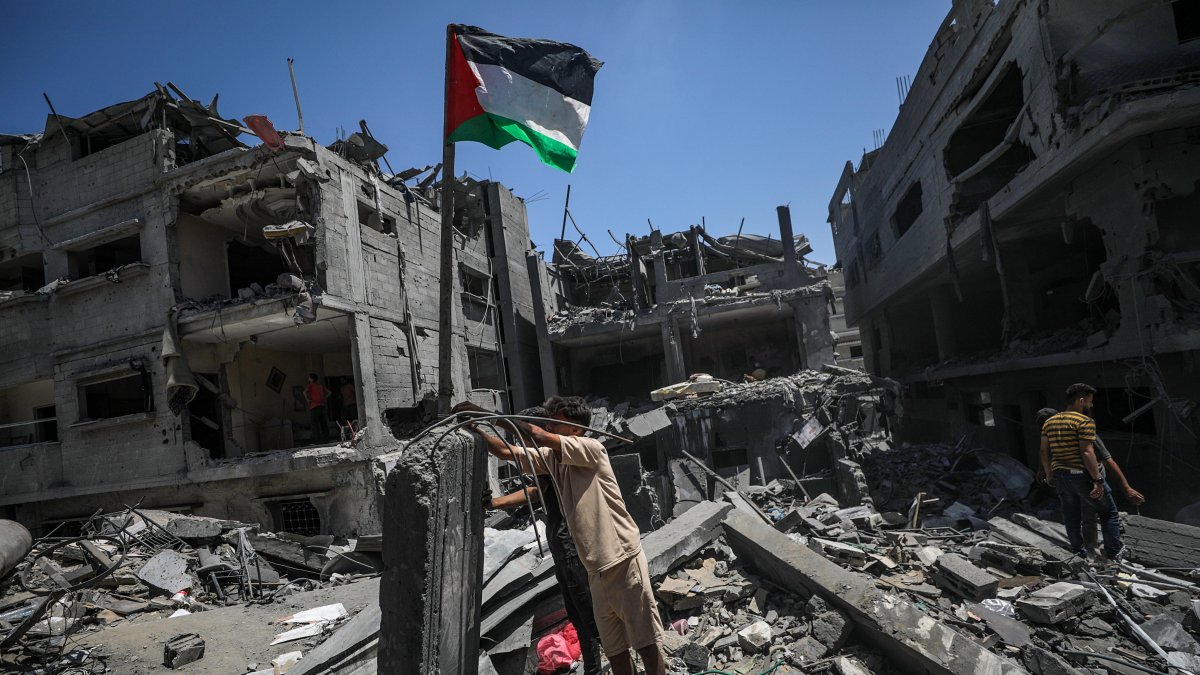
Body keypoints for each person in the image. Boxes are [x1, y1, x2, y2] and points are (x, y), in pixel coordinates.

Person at [459, 396, 665, 675]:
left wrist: (482, 413)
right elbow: (507, 452)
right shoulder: (551, 460)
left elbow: (537, 434)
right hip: (595, 570)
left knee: (646, 644)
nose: (549, 425)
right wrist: (475, 428)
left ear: (575, 430)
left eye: (557, 421)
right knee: (615, 650)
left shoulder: (591, 449)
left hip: (621, 560)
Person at [491, 475, 603, 675]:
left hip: (572, 552)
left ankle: (611, 666)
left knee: (590, 621)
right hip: (563, 553)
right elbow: (536, 491)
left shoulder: (564, 462)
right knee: (580, 619)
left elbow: (536, 489)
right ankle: (595, 669)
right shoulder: (551, 469)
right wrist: (495, 502)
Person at [1036, 407, 1145, 556]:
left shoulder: (1077, 431)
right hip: (1079, 479)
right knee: (1097, 514)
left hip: (1079, 479)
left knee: (1082, 515)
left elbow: (1107, 460)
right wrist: (1043, 470)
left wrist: (1124, 487)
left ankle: (1086, 551)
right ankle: (1106, 552)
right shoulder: (1057, 433)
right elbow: (1045, 454)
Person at [1039, 383, 1125, 560]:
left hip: (1060, 475)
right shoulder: (1084, 421)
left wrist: (1049, 474)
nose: (1091, 405)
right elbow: (1087, 452)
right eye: (1089, 401)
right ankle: (1114, 554)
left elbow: (1043, 451)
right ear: (1080, 400)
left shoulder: (1050, 422)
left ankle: (1079, 555)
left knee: (1071, 517)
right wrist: (1097, 480)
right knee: (1108, 513)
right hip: (1080, 475)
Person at [304, 373, 331, 443]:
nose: (308, 379)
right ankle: (326, 439)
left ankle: (317, 440)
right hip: (322, 406)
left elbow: (304, 392)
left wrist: (307, 400)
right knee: (323, 423)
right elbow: (329, 392)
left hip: (314, 406)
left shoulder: (310, 385)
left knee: (314, 424)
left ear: (312, 379)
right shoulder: (320, 386)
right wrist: (324, 398)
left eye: (309, 378)